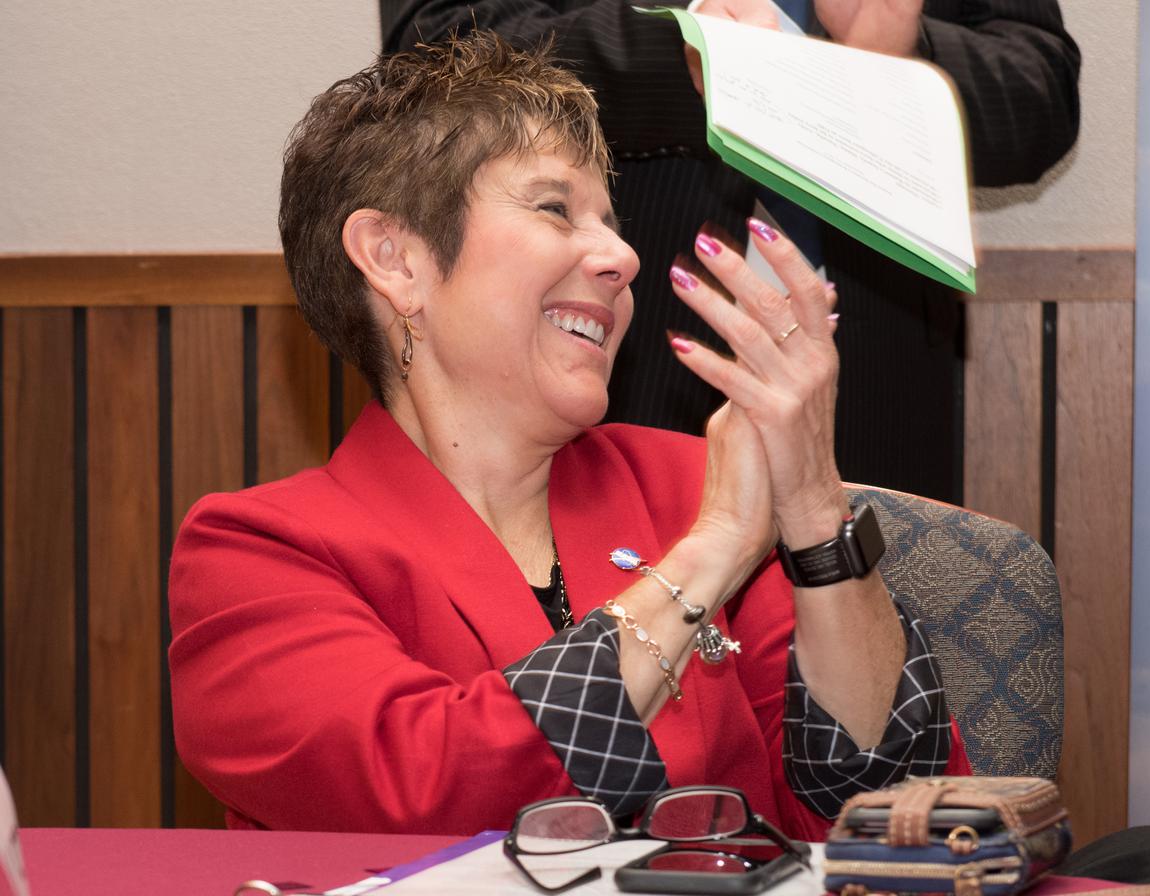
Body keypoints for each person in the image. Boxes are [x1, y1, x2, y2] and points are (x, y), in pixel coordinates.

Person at [168, 32, 965, 842]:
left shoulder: (694, 481)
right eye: (555, 209)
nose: (622, 255)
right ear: (394, 259)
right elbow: (420, 789)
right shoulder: (256, 553)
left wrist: (816, 515)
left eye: (613, 224)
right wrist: (712, 553)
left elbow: (890, 805)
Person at [380, 0, 1082, 504]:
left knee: (863, 687)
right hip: (606, 360)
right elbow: (435, 42)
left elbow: (1041, 93)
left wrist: (900, 62)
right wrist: (688, 54)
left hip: (876, 380)